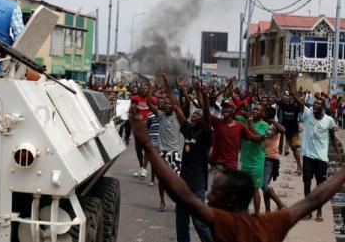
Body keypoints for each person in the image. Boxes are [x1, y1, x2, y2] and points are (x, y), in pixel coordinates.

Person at [129, 104, 345, 242]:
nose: (210, 196)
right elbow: (315, 198)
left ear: (230, 200)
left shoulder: (223, 224)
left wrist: (148, 145)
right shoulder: (272, 224)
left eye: (215, 191)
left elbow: (182, 195)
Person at [287, 74, 342, 222]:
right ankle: (308, 211)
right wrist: (290, 82)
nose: (314, 106)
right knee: (306, 183)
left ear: (323, 107)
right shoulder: (308, 114)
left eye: (318, 105)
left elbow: (332, 137)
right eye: (314, 104)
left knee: (320, 186)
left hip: (322, 158)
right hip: (308, 156)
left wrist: (338, 155)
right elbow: (297, 99)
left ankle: (318, 212)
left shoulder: (329, 120)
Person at [176, 81, 213, 242]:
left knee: (199, 222)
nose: (194, 115)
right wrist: (173, 87)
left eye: (198, 115)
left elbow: (207, 116)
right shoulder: (188, 129)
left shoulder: (205, 134)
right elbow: (177, 109)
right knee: (181, 222)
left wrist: (204, 96)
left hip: (197, 184)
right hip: (183, 184)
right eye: (194, 113)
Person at [236, 104, 268, 214]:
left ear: (262, 113)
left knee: (255, 189)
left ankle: (257, 215)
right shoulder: (244, 120)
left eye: (257, 110)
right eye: (253, 109)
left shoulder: (264, 125)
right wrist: (241, 108)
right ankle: (242, 212)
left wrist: (249, 120)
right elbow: (232, 114)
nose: (254, 111)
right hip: (245, 161)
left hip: (257, 162)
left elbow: (258, 137)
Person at [262, 106, 286, 212]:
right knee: (264, 185)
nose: (262, 114)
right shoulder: (262, 125)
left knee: (264, 185)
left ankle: (280, 204)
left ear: (268, 115)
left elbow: (283, 130)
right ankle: (268, 210)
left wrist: (273, 121)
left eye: (263, 113)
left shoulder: (274, 126)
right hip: (262, 157)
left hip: (271, 158)